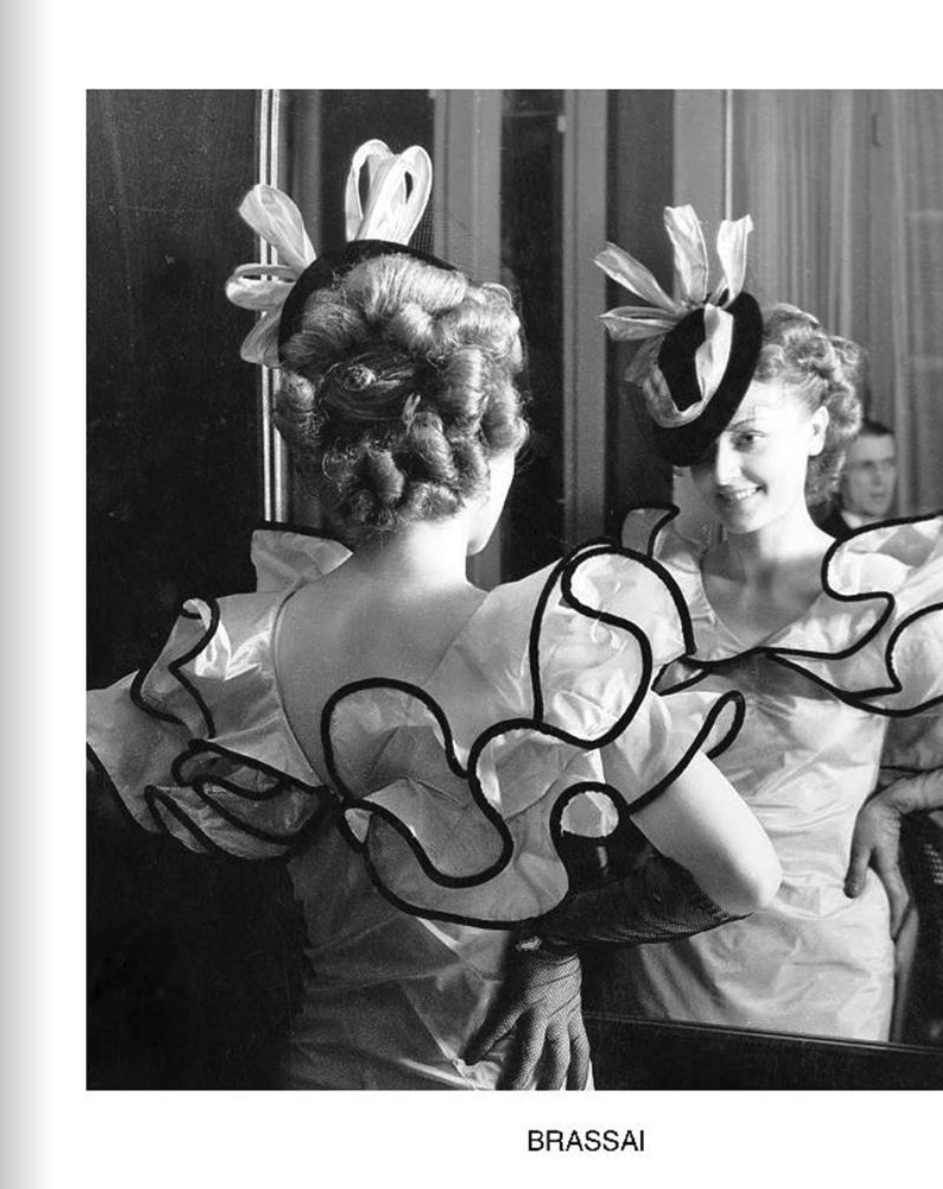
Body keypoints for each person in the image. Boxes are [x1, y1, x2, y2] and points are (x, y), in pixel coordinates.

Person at [86, 144, 779, 1090]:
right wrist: (555, 939)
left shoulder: (238, 651)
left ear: (330, 460)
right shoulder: (551, 654)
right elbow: (745, 876)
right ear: (495, 456)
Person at [590, 205, 943, 1042]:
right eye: (701, 447)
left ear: (817, 427)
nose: (723, 471)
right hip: (655, 967)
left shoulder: (877, 602)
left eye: (749, 436)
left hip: (819, 972)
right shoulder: (649, 586)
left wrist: (904, 797)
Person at [818, 417, 898, 539]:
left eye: (888, 464)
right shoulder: (822, 541)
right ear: (836, 479)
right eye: (867, 466)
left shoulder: (909, 539)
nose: (880, 478)